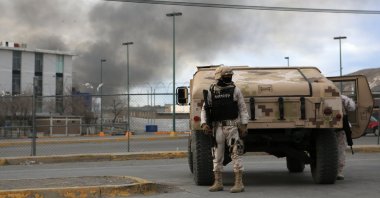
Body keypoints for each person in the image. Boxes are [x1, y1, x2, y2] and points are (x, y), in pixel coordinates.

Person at [200, 66, 249, 193]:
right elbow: (205, 109)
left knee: (235, 153)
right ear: (219, 77)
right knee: (217, 155)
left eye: (229, 76)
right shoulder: (212, 91)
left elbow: (242, 108)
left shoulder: (235, 90)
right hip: (217, 128)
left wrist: (244, 125)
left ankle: (239, 183)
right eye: (226, 76)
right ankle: (218, 182)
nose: (228, 78)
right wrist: (204, 124)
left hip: (232, 126)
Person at [337, 94, 356, 180]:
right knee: (340, 149)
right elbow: (352, 107)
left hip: (324, 129)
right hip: (340, 127)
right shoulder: (342, 98)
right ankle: (338, 171)